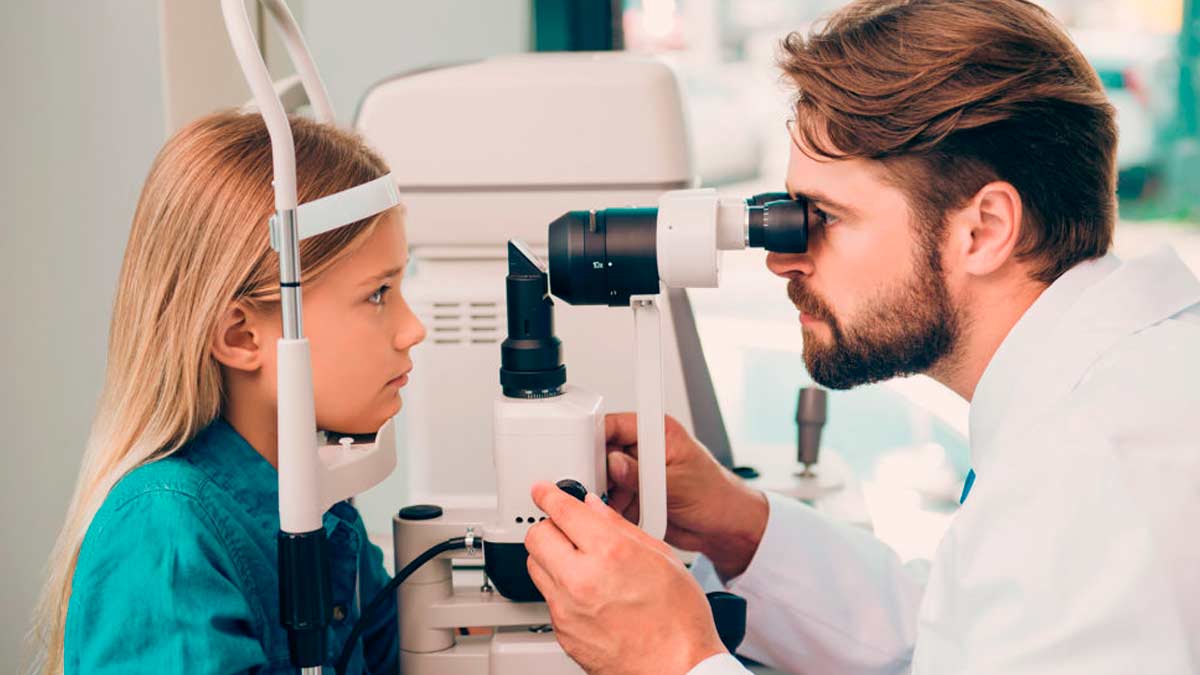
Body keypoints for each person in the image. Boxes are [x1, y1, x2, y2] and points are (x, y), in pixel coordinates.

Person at [523, 1, 1200, 673]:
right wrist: (739, 525)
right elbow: (951, 631)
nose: (782, 257)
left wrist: (674, 658)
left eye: (825, 216)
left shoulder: (1095, 472)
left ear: (984, 229)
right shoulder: (1108, 400)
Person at [31, 111, 426, 674]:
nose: (414, 328)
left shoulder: (320, 504)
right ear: (241, 336)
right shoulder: (163, 542)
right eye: (378, 294)